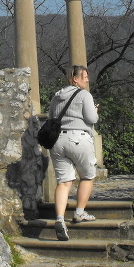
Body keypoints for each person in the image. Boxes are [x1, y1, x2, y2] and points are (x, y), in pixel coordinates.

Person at [47, 65, 98, 242]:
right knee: (87, 176)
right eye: (84, 76)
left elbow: (51, 117)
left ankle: (60, 218)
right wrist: (96, 112)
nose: (87, 79)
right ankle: (79, 212)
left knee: (64, 182)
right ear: (75, 79)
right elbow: (92, 119)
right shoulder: (84, 95)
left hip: (57, 141)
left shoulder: (56, 96)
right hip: (79, 137)